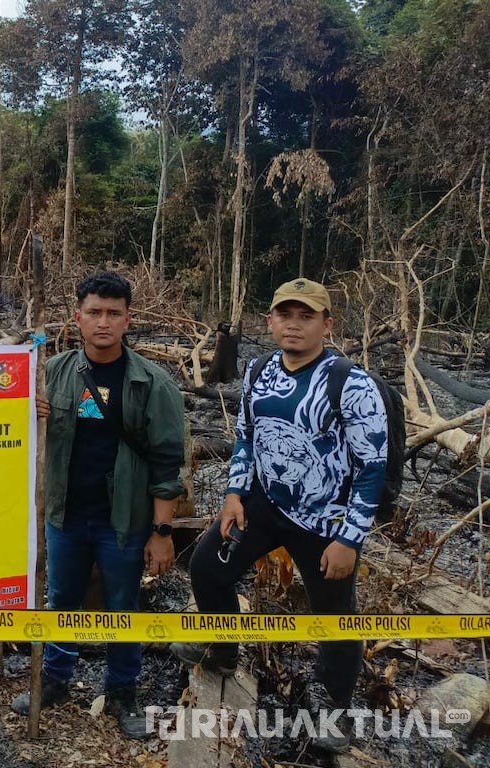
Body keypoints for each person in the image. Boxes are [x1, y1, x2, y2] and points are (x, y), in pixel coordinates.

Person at [172, 277, 387, 753]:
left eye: (306, 316)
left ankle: (333, 707)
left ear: (327, 325)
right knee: (207, 568)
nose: (294, 325)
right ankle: (223, 650)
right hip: (265, 504)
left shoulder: (352, 384)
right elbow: (247, 435)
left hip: (325, 520)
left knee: (335, 615)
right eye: (285, 315)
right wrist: (234, 492)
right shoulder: (259, 370)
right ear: (269, 321)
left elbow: (372, 468)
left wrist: (349, 539)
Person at [12, 271, 186, 739]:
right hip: (65, 517)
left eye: (113, 313)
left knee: (123, 606)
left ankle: (122, 692)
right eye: (94, 312)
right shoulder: (52, 373)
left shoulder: (152, 384)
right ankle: (55, 679)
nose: (103, 322)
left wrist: (162, 531)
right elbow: (13, 435)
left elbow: (168, 462)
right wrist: (28, 413)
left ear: (128, 319)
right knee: (61, 600)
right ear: (78, 317)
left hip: (123, 521)